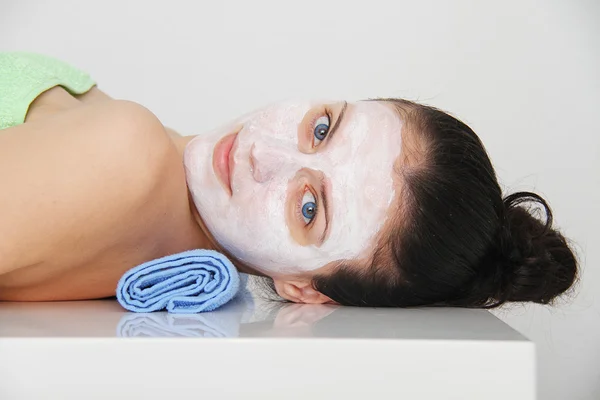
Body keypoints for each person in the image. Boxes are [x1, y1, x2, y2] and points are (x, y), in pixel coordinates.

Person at [0, 52, 578, 307]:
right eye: (322, 127)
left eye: (309, 208)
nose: (265, 153)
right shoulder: (135, 165)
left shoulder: (126, 155)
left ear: (307, 289)